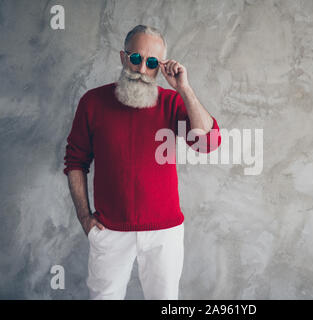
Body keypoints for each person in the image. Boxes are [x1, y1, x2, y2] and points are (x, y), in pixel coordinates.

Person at [63, 24, 221, 300]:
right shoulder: (93, 102)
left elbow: (208, 143)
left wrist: (184, 89)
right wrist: (84, 217)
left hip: (164, 233)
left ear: (160, 67)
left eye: (151, 63)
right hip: (109, 229)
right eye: (136, 59)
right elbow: (75, 161)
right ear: (124, 58)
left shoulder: (172, 102)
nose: (142, 70)